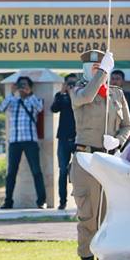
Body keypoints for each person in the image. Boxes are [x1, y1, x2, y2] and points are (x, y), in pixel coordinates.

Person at [70, 49, 130, 260]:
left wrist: (118, 141)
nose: (99, 72)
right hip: (85, 159)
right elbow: (86, 97)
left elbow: (127, 125)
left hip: (108, 159)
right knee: (88, 216)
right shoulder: (77, 90)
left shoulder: (116, 94)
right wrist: (103, 72)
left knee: (108, 217)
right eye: (94, 68)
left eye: (101, 67)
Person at [0, 76, 47, 209]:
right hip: (14, 141)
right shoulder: (13, 101)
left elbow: (40, 108)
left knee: (36, 171)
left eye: (25, 85)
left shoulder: (33, 100)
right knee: (11, 173)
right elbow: (2, 107)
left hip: (30, 140)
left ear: (30, 87)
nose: (22, 87)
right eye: (20, 85)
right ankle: (8, 201)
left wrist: (29, 93)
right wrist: (11, 93)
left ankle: (41, 201)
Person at [50, 73, 79, 210]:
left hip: (79, 138)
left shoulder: (82, 96)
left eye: (74, 83)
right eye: (69, 84)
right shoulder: (61, 96)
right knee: (62, 171)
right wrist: (62, 93)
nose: (71, 86)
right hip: (63, 138)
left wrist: (75, 92)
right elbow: (54, 109)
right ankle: (63, 201)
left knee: (80, 171)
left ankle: (80, 201)